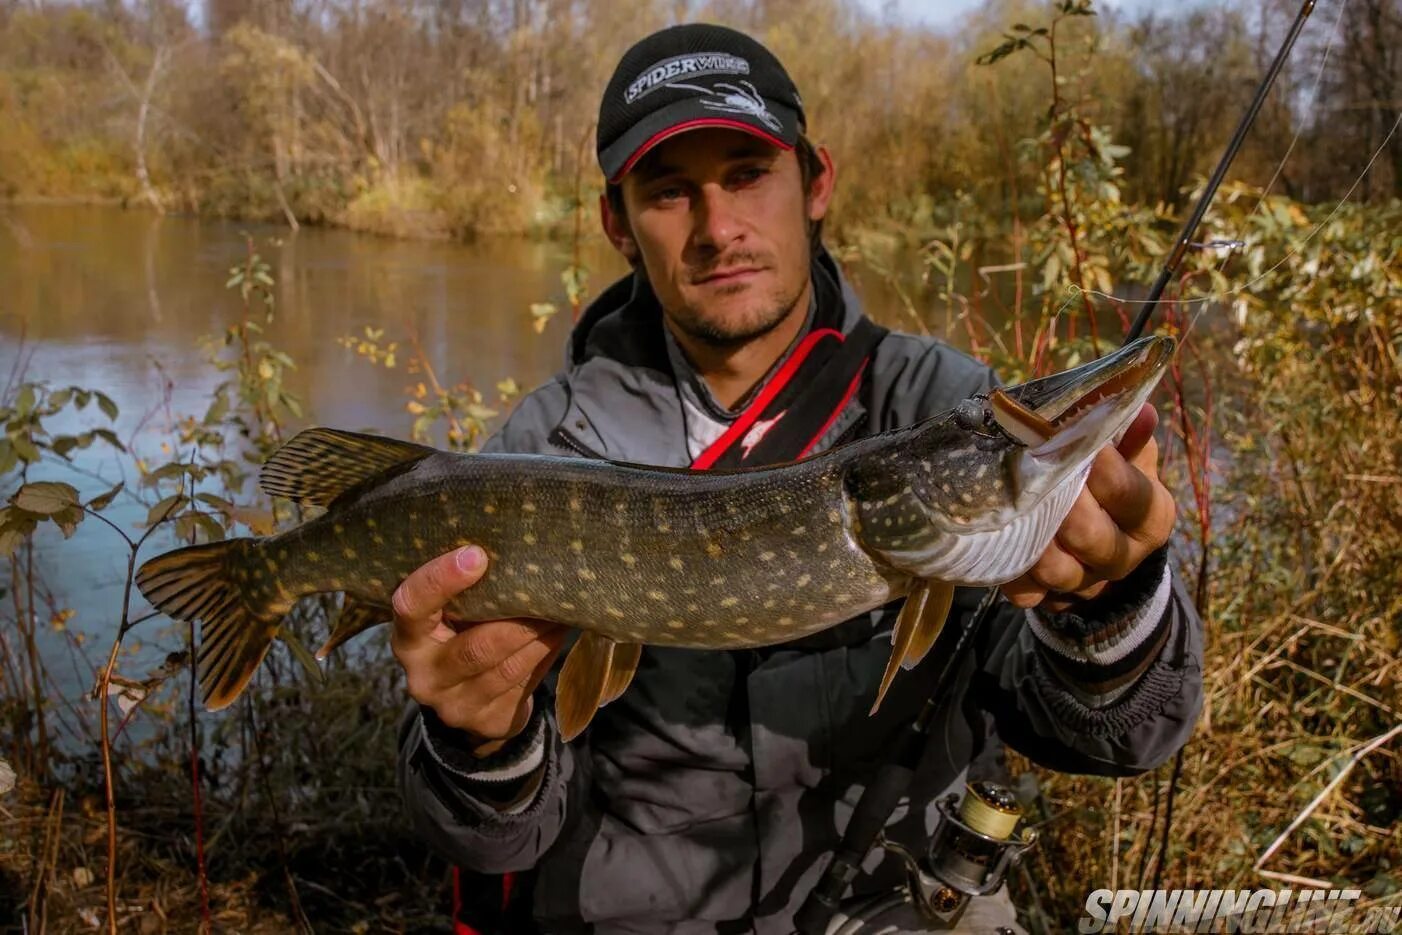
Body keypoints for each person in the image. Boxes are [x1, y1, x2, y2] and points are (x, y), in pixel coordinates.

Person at [392, 23, 1203, 935]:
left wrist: (1111, 604)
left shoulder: (945, 408)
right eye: (668, 192)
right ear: (617, 222)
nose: (718, 228)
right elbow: (491, 842)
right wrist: (479, 741)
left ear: (816, 182)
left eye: (747, 174)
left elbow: (1122, 736)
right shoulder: (539, 455)